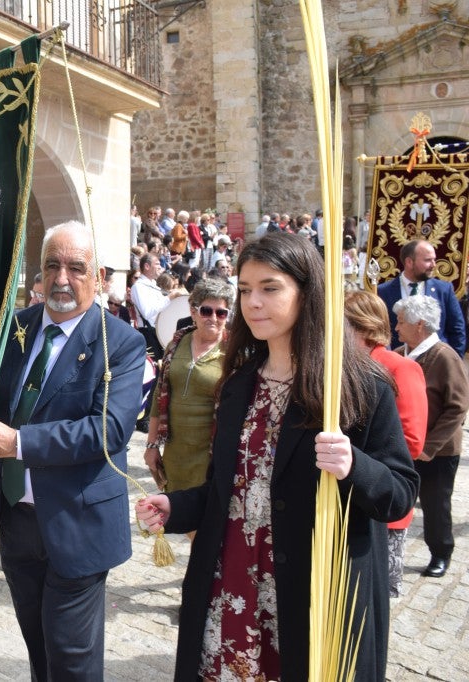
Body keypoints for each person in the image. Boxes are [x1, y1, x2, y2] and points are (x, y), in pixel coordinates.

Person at [136, 233, 418, 681]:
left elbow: (400, 494)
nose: (253, 303)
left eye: (270, 288)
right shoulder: (238, 383)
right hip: (231, 588)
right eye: (245, 290)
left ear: (306, 293)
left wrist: (354, 466)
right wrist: (177, 507)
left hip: (311, 599)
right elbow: (228, 489)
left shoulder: (358, 386)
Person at [0, 220, 147, 680]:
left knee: (71, 661)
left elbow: (109, 430)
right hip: (18, 522)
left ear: (97, 278)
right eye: (52, 266)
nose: (62, 279)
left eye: (76, 268)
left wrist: (16, 443)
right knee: (39, 650)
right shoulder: (13, 331)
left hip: (78, 527)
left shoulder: (120, 342)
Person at [344, 291, 427, 596]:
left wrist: (358, 463)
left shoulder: (399, 367)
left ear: (362, 327)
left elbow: (412, 441)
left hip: (380, 500)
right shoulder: (341, 366)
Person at [393, 295, 469, 579]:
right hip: (406, 447)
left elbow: (458, 407)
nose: (397, 327)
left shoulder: (444, 356)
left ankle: (441, 553)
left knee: (436, 505)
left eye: (402, 322)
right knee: (401, 501)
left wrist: (430, 446)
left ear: (420, 324)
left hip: (437, 452)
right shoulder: (402, 352)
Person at [144, 279, 233, 495]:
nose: (213, 318)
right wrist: (152, 445)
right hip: (175, 453)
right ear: (193, 312)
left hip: (211, 455)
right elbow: (158, 396)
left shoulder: (233, 353)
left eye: (221, 313)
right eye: (206, 311)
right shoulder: (177, 343)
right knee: (179, 518)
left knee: (203, 520)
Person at [377, 239, 466, 355]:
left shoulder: (444, 290)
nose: (434, 265)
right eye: (428, 260)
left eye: (434, 259)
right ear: (409, 262)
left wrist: (452, 361)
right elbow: (380, 331)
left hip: (435, 364)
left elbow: (457, 330)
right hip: (398, 363)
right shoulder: (383, 292)